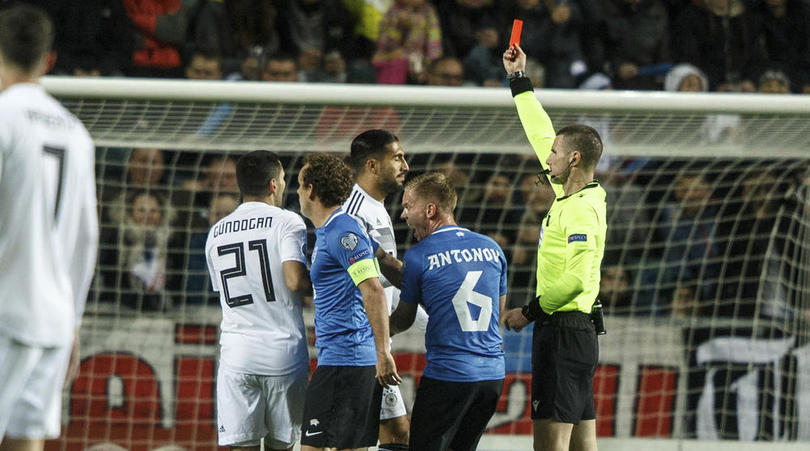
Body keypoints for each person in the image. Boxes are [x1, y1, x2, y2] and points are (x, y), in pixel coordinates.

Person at [0, 4, 98, 449]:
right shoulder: (76, 133)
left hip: (5, 310)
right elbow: (87, 237)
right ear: (48, 60)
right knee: (27, 441)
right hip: (53, 319)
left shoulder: (4, 116)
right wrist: (73, 319)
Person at [501, 44, 606, 451]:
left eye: (555, 154)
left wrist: (528, 312)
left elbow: (578, 278)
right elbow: (541, 131)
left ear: (574, 159)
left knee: (548, 445)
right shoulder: (576, 194)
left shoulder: (579, 211)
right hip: (577, 333)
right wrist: (518, 79)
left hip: (563, 331)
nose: (547, 157)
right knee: (583, 444)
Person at [388, 172, 507, 451]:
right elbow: (497, 314)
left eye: (408, 206)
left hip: (449, 375)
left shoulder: (420, 255)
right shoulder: (492, 248)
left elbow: (404, 320)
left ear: (430, 210)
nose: (404, 215)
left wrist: (376, 333)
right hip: (492, 376)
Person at [204, 151, 311, 450]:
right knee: (284, 446)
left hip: (237, 355)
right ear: (274, 184)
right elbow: (295, 281)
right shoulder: (288, 222)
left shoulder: (216, 233)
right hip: (283, 355)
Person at [296, 153, 400, 451]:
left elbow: (373, 289)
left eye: (301, 186)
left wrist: (383, 353)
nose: (299, 193)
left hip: (346, 360)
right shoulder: (331, 230)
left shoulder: (343, 231)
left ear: (312, 190)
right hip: (346, 360)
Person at [344, 129, 427, 451]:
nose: (405, 164)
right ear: (372, 165)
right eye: (397, 157)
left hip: (378, 341)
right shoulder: (353, 211)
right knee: (359, 438)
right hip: (360, 344)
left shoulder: (375, 206)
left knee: (396, 434)